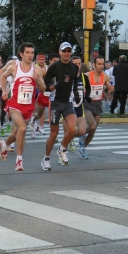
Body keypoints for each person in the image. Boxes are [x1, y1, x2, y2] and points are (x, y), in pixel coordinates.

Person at [0, 43, 46, 170]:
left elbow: (43, 89)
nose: (30, 55)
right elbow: (3, 76)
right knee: (23, 128)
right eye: (27, 52)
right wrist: (3, 90)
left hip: (29, 106)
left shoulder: (37, 70)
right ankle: (19, 160)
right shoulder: (14, 68)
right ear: (21, 54)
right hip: (14, 104)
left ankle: (5, 144)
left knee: (17, 132)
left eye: (32, 53)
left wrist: (38, 81)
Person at [40, 42, 80, 170]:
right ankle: (46, 159)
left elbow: (75, 82)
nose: (67, 53)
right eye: (64, 50)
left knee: (73, 129)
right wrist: (56, 86)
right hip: (55, 103)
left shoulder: (75, 67)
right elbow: (45, 86)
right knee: (54, 134)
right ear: (60, 51)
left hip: (68, 103)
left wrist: (76, 93)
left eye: (69, 50)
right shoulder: (54, 67)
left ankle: (62, 149)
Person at [78, 56, 112, 159]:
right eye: (99, 64)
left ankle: (83, 148)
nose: (101, 66)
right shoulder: (87, 75)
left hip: (98, 104)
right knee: (92, 125)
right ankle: (82, 135)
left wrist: (110, 88)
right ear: (94, 65)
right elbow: (79, 86)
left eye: (103, 64)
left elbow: (108, 86)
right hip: (87, 104)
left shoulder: (105, 76)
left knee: (93, 130)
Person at [29, 53, 60, 138]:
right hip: (44, 94)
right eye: (54, 61)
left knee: (53, 115)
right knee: (38, 114)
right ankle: (33, 120)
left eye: (57, 61)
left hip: (55, 96)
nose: (56, 63)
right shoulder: (44, 70)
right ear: (49, 61)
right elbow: (41, 84)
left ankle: (53, 135)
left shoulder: (61, 69)